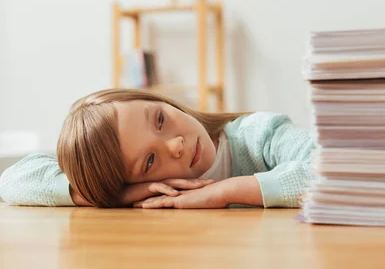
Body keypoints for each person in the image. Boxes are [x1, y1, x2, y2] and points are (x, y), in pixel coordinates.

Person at [0, 89, 315, 209]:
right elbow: (12, 181)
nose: (176, 145)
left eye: (161, 119)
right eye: (150, 160)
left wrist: (227, 191)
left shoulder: (259, 135)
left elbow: (330, 169)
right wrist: (110, 195)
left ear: (158, 100)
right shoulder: (135, 193)